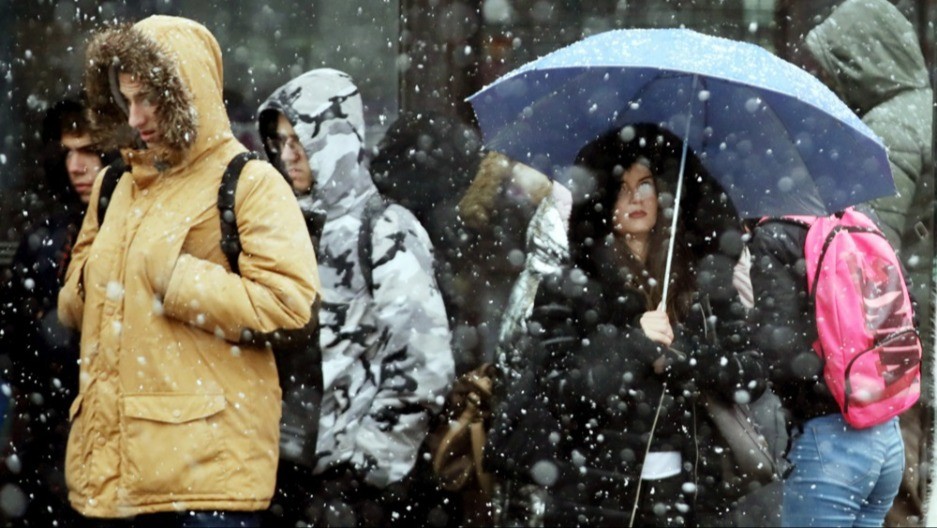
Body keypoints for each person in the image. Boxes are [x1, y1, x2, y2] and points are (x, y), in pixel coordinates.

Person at [57, 15, 320, 527]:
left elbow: (291, 309)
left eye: (148, 98)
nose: (136, 116)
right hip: (111, 479)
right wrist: (95, 283)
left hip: (208, 483)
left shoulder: (249, 182)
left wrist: (177, 282)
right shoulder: (115, 185)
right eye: (127, 100)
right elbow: (73, 303)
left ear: (186, 91)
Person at [485, 124, 765, 526]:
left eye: (646, 184)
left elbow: (751, 376)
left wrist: (686, 355)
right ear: (601, 198)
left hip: (690, 496)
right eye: (622, 187)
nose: (636, 198)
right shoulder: (571, 287)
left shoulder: (703, 284)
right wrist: (634, 346)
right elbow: (559, 389)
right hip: (598, 498)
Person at [257, 68, 454, 527]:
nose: (289, 155)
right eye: (280, 142)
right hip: (280, 472)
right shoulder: (279, 226)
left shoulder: (385, 228)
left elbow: (424, 365)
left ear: (336, 138)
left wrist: (365, 468)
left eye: (300, 139)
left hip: (351, 486)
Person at [804, 2, 934, 524]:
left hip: (904, 332)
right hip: (922, 316)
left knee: (899, 474)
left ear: (859, 63)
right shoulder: (923, 110)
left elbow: (871, 251)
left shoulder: (890, 127)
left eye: (835, 67)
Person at [0, 96, 115, 527]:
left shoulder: (135, 231)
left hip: (113, 430)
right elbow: (16, 336)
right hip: (49, 430)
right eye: (67, 152)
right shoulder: (46, 236)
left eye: (88, 151)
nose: (76, 166)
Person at [750, 214, 906, 526]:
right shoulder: (861, 220)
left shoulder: (774, 235)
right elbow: (907, 308)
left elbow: (782, 353)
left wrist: (749, 330)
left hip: (831, 447)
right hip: (887, 434)